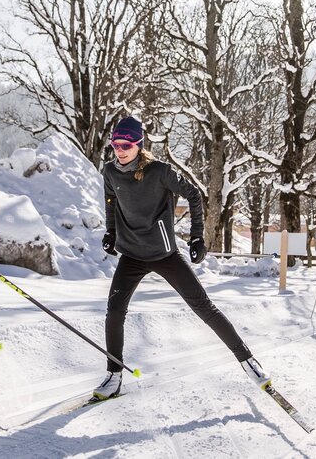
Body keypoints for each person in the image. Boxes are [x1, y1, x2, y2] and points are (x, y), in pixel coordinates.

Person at [95, 116, 269, 401]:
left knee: (203, 306)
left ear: (139, 144)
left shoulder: (160, 171)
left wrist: (198, 237)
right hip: (132, 255)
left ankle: (248, 361)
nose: (120, 149)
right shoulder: (111, 172)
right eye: (115, 144)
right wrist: (111, 233)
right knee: (114, 311)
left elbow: (194, 196)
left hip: (164, 254)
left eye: (126, 144)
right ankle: (114, 375)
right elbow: (111, 202)